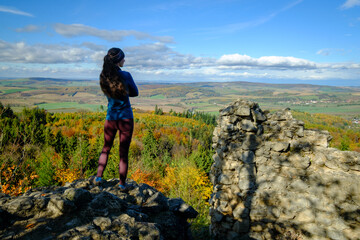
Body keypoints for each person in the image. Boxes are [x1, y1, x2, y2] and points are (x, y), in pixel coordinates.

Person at [94, 47, 138, 190]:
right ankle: (122, 184)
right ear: (118, 60)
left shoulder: (103, 76)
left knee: (106, 148)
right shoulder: (126, 75)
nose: (124, 60)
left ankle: (98, 177)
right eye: (123, 58)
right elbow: (135, 93)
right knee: (123, 153)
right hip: (126, 118)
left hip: (111, 117)